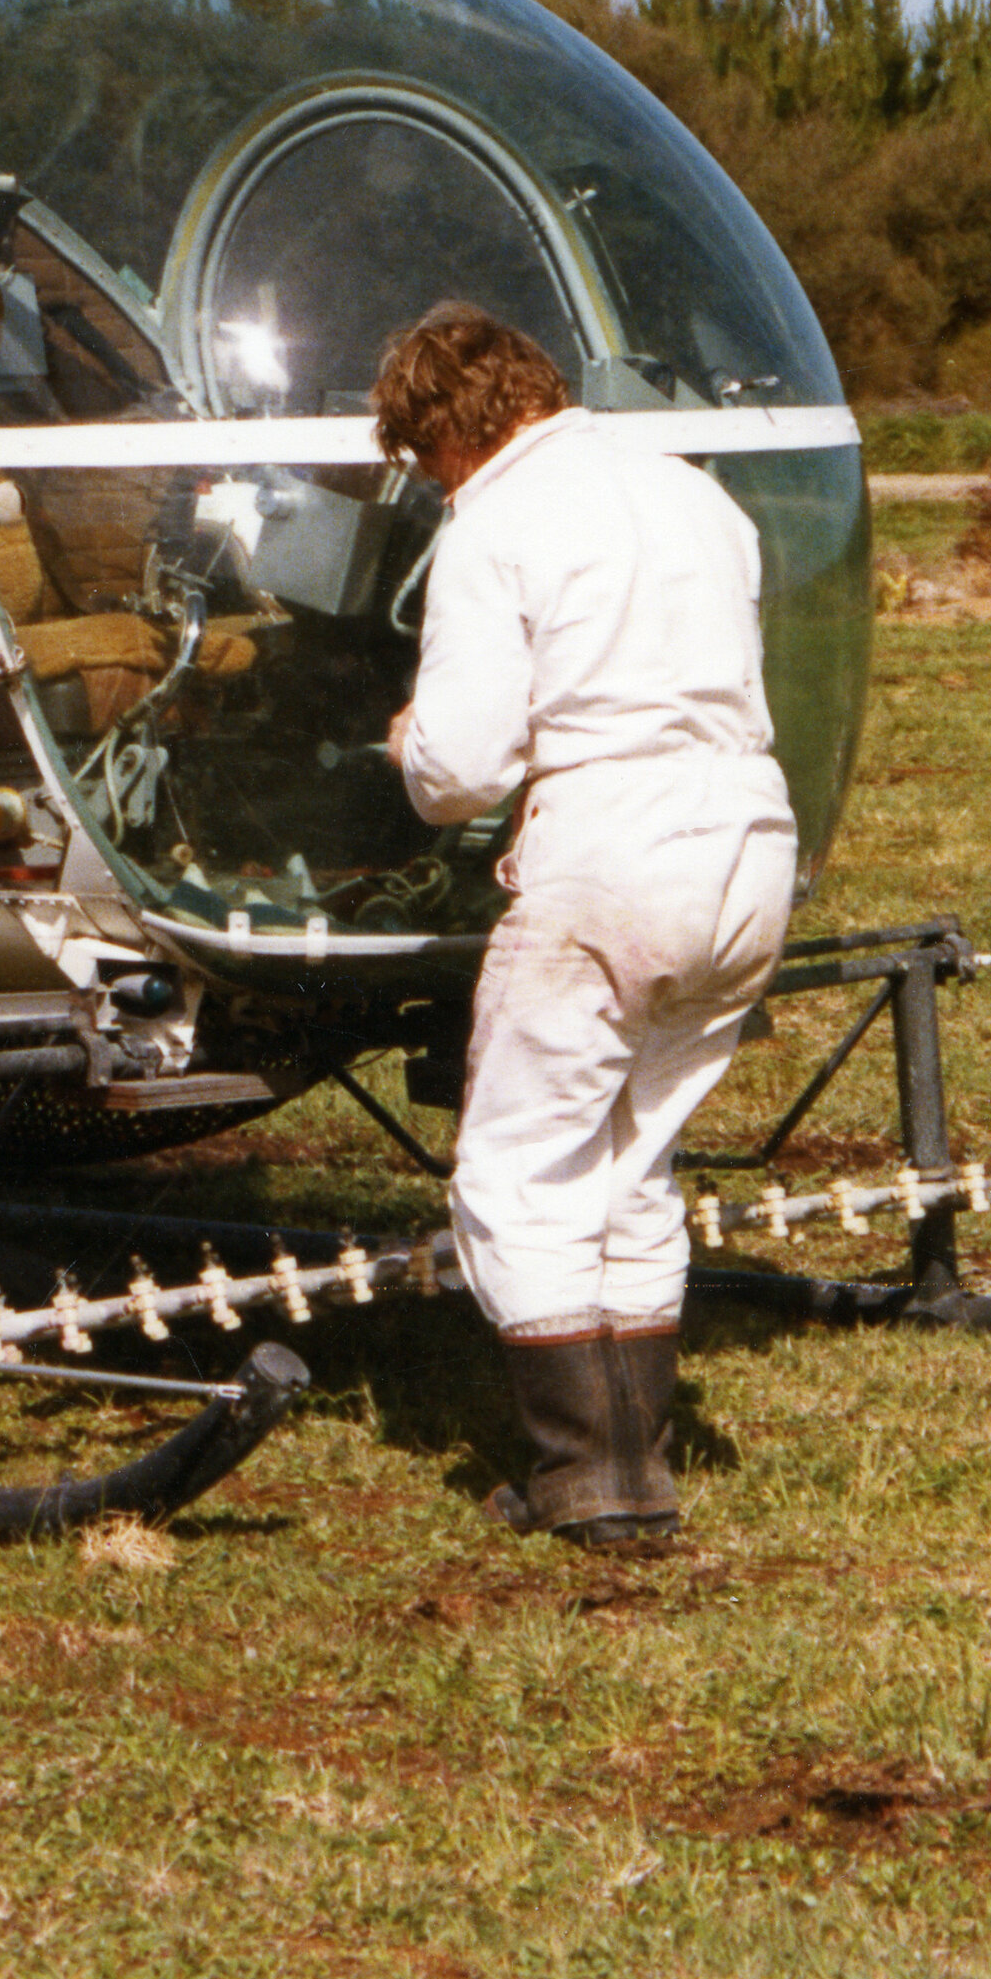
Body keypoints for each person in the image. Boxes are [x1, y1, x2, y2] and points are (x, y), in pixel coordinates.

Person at [374, 304, 797, 1546]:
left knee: (523, 1168)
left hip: (610, 853)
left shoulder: (495, 519)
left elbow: (459, 770)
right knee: (631, 1163)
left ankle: (578, 1475)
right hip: (745, 844)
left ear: (444, 436)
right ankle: (634, 1465)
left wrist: (402, 744)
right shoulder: (693, 496)